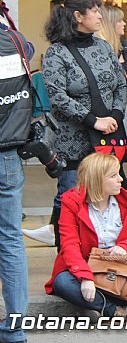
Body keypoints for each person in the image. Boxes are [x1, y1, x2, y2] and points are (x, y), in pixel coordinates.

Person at [37, 0, 127, 249]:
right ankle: (68, 255)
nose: (100, 15)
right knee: (71, 197)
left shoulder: (103, 46)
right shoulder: (57, 53)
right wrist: (92, 120)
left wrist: (115, 116)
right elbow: (57, 96)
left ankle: (103, 250)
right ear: (78, 16)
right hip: (74, 140)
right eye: (95, 11)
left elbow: (120, 85)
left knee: (109, 196)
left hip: (107, 139)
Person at [44, 153, 127, 317]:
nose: (121, 179)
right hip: (88, 266)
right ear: (97, 179)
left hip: (120, 268)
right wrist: (85, 278)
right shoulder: (71, 202)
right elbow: (69, 246)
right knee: (63, 282)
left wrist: (124, 247)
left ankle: (98, 306)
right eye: (113, 176)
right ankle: (117, 310)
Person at [0, 28, 32, 342]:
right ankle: (15, 328)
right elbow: (31, 49)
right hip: (7, 152)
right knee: (10, 239)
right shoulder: (15, 42)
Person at [96, 4, 127, 176]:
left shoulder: (122, 48)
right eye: (120, 20)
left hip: (124, 112)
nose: (124, 24)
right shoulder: (102, 52)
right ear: (110, 23)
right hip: (111, 116)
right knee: (112, 171)